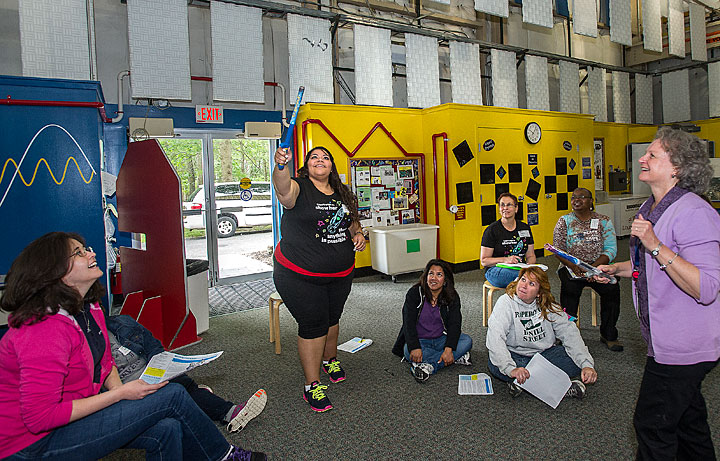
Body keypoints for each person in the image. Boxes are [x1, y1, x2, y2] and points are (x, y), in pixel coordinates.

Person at [0, 232, 265, 460]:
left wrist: (124, 393)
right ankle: (224, 456)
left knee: (168, 427)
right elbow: (40, 418)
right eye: (79, 253)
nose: (91, 254)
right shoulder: (43, 330)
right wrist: (120, 396)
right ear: (56, 274)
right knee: (172, 395)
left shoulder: (90, 308)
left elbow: (105, 364)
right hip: (31, 445)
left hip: (72, 418)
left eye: (86, 249)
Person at [597, 127, 720, 460]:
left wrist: (654, 244)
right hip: (662, 338)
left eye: (652, 154)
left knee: (653, 426)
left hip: (684, 346)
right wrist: (618, 269)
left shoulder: (695, 212)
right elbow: (648, 268)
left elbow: (706, 287)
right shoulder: (651, 208)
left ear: (677, 167)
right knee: (688, 425)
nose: (642, 158)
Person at [272, 145, 366, 412]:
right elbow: (282, 190)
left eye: (325, 157)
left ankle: (330, 359)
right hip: (298, 275)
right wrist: (280, 166)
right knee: (314, 324)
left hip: (339, 274)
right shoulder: (299, 188)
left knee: (332, 318)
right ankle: (312, 384)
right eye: (315, 157)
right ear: (307, 165)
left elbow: (351, 223)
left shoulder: (342, 194)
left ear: (332, 166)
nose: (320, 160)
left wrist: (357, 235)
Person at [107, 314, 267, 433]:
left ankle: (230, 412)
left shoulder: (121, 323)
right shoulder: (88, 347)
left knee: (183, 384)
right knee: (180, 393)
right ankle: (204, 404)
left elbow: (155, 348)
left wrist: (162, 366)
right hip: (129, 390)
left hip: (152, 374)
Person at [486, 267, 597, 399]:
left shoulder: (549, 305)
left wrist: (586, 365)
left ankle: (522, 383)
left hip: (544, 356)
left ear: (539, 293)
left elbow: (569, 334)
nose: (523, 286)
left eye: (531, 284)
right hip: (515, 356)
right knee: (495, 364)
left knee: (574, 362)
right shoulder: (505, 302)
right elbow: (495, 338)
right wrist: (511, 369)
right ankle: (561, 388)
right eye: (523, 280)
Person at [552, 187, 622, 351]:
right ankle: (567, 334)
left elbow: (611, 249)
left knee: (612, 288)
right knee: (569, 290)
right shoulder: (564, 221)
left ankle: (609, 334)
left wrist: (593, 269)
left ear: (591, 201)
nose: (576, 200)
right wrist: (574, 266)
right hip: (571, 267)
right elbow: (558, 249)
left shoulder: (604, 221)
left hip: (599, 267)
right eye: (573, 197)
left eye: (581, 197)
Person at [391, 259, 473, 383]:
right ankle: (451, 358)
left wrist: (448, 348)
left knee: (466, 341)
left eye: (439, 275)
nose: (433, 278)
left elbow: (455, 323)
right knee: (408, 351)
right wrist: (415, 347)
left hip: (441, 338)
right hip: (420, 341)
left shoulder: (452, 296)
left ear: (445, 280)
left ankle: (429, 366)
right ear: (426, 276)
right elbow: (408, 323)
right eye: (431, 273)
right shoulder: (414, 293)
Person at [480, 192, 536, 288]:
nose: (505, 208)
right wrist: (506, 259)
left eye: (509, 205)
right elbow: (484, 261)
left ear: (516, 208)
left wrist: (529, 266)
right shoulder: (491, 230)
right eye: (502, 205)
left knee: (538, 276)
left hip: (520, 268)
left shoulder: (525, 228)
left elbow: (531, 255)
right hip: (496, 270)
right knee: (524, 278)